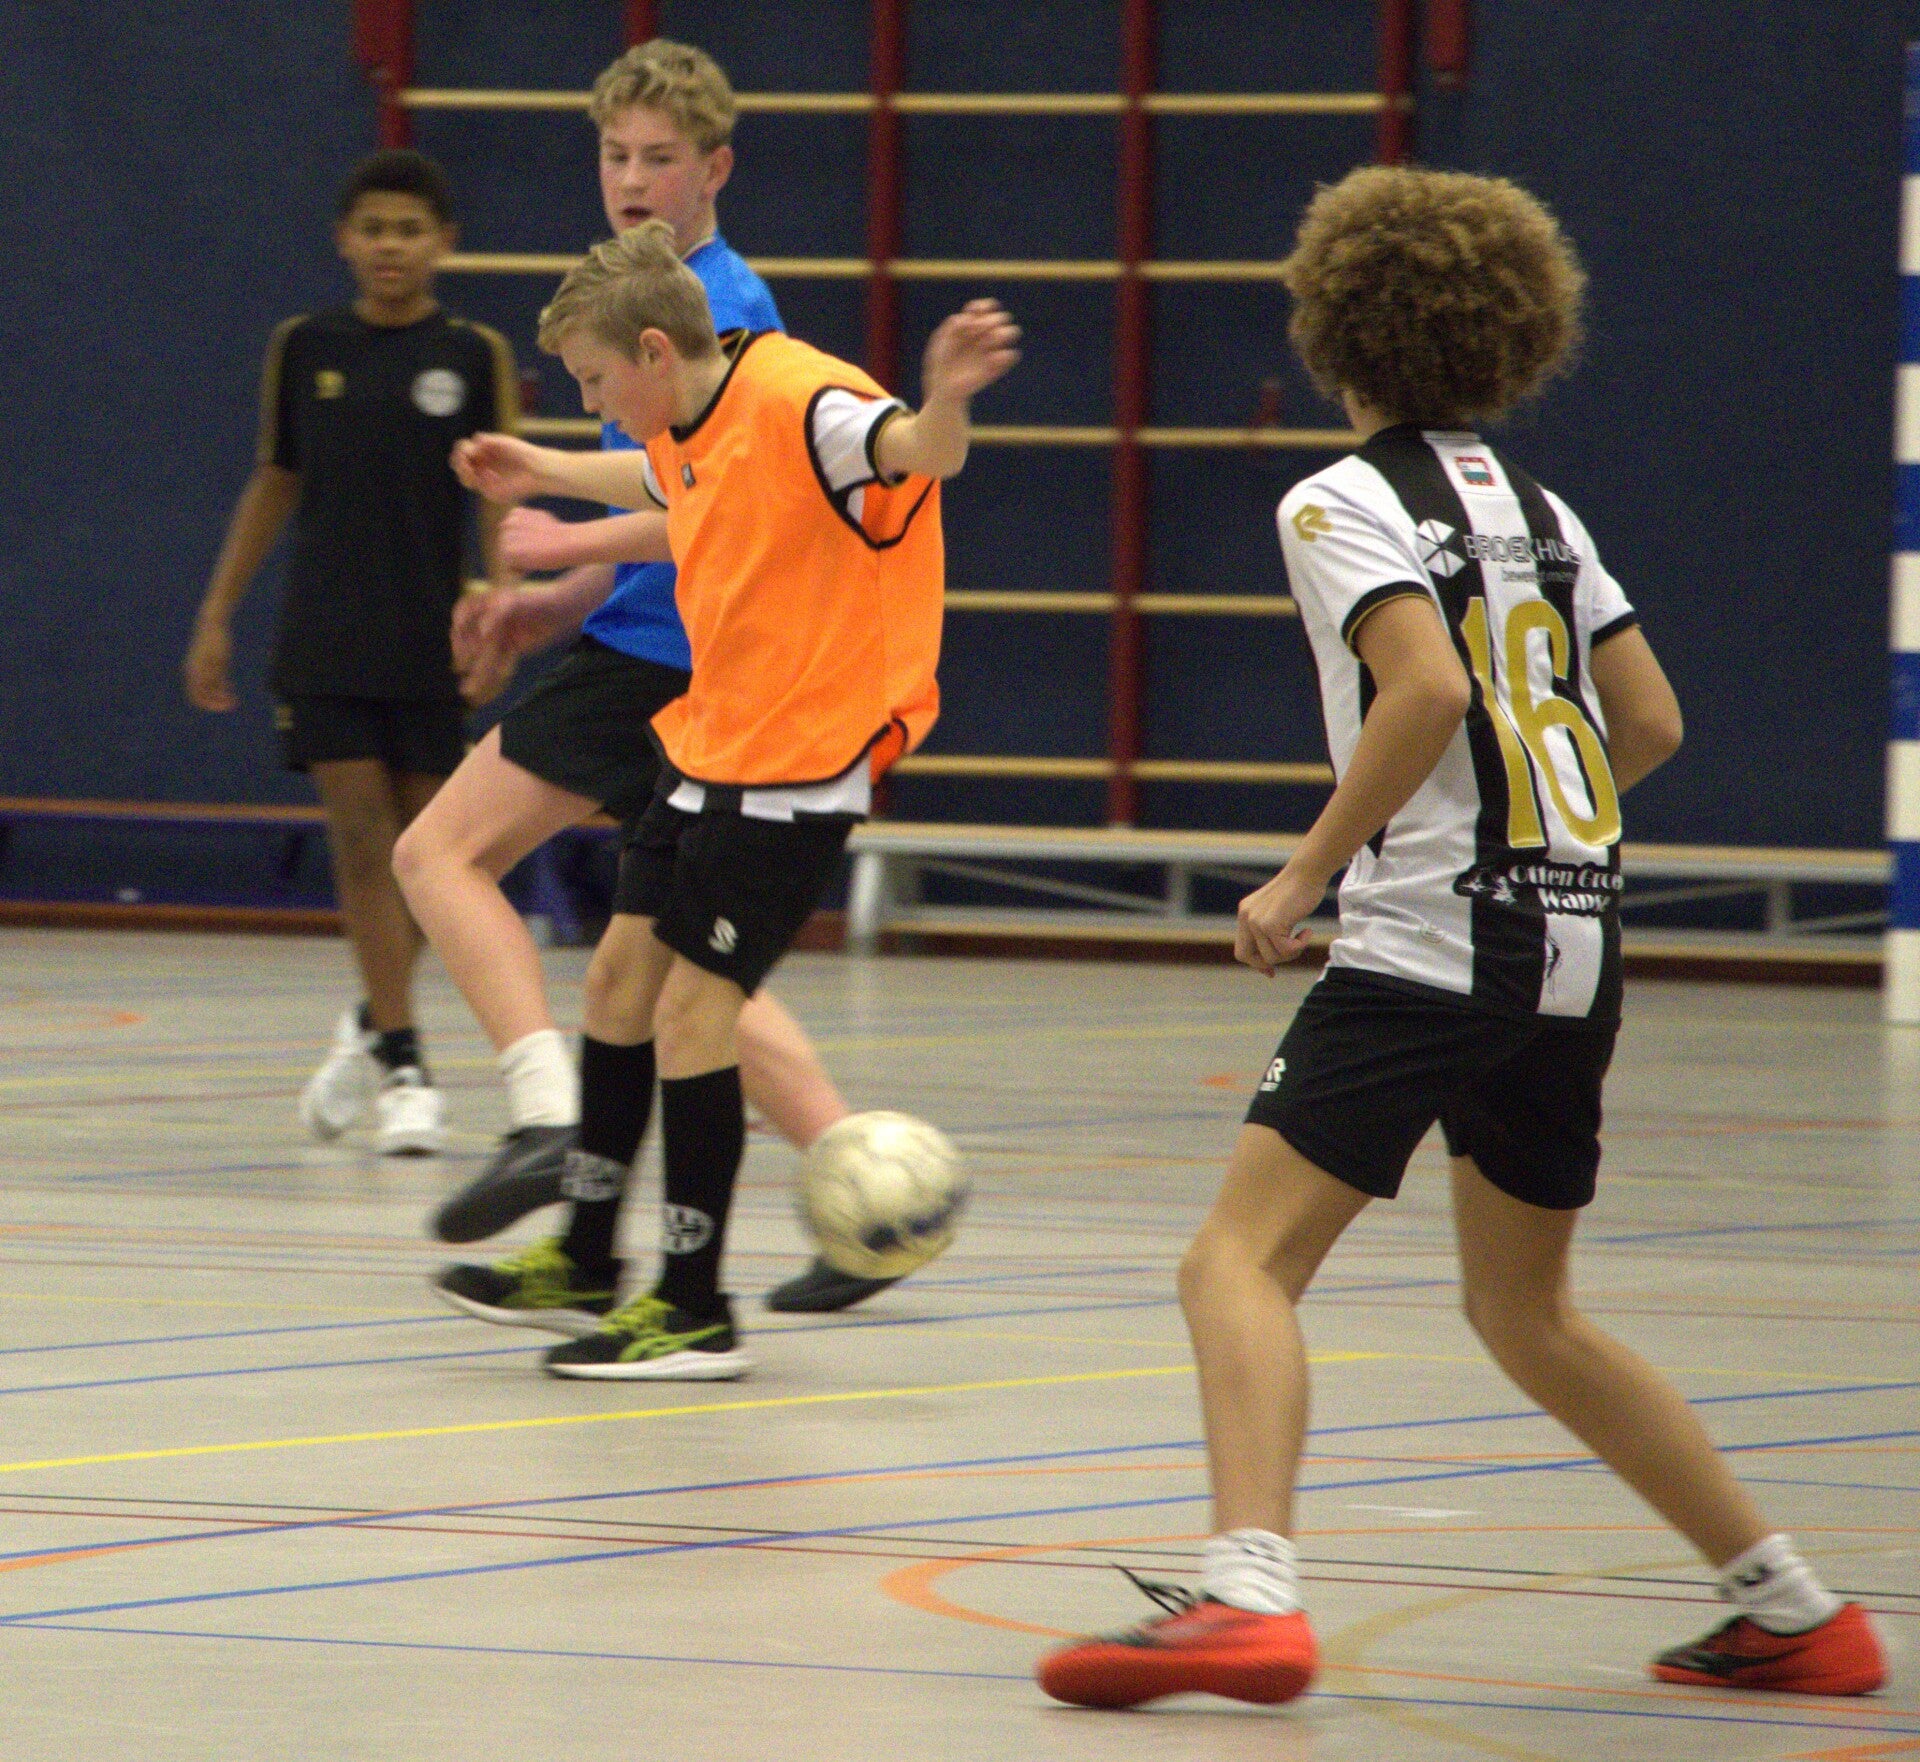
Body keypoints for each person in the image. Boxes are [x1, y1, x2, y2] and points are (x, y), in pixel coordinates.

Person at [1036, 166, 1886, 1708]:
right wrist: (1539, 827)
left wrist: (1305, 874)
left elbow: (1424, 687)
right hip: (1577, 944)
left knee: (1234, 1260)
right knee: (1525, 1310)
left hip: (1433, 940)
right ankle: (1794, 1607)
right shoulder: (1547, 514)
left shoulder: (1339, 500)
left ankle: (1248, 1592)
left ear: (1334, 327)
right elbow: (1648, 721)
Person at [434, 223, 1018, 1379]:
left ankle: (695, 1307)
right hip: (713, 739)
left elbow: (917, 452)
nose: (595, 403)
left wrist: (946, 399)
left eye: (597, 380)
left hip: (801, 762)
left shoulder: (805, 402)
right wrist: (545, 469)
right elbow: (662, 476)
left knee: (694, 1014)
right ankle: (586, 1259)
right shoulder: (695, 411)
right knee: (617, 983)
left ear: (654, 351)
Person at [390, 39, 893, 1314]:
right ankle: (870, 1195)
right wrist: (551, 601)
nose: (629, 178)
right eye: (614, 154)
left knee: (437, 854)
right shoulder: (646, 294)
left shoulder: (721, 308)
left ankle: (545, 1114)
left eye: (658, 158)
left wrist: (562, 537)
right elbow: (676, 509)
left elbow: (716, 508)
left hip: (672, 665)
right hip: (659, 651)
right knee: (675, 970)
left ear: (714, 168)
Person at [185, 148, 517, 1157]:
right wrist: (216, 614)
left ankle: (369, 1025)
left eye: (410, 229)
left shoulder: (474, 355)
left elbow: (496, 496)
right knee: (364, 841)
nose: (390, 246)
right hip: (324, 636)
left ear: (444, 242)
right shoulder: (303, 347)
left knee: (433, 858)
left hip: (429, 638)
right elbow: (274, 480)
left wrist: (505, 607)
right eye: (373, 228)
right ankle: (408, 1065)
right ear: (344, 239)